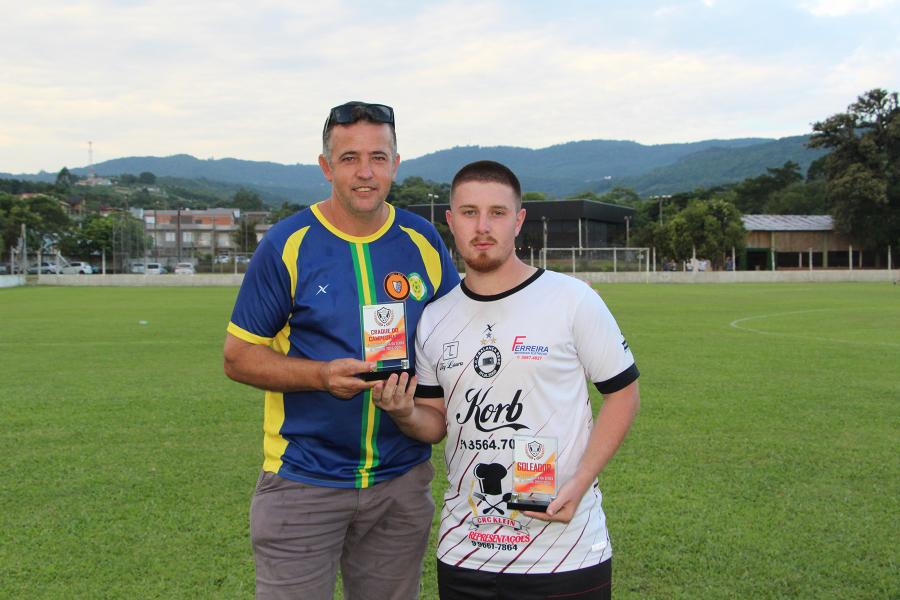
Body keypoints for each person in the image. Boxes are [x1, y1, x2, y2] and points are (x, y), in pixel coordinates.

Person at [223, 101, 460, 599]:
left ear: (396, 163)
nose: (365, 172)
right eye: (349, 158)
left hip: (401, 482)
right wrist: (322, 375)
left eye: (378, 156)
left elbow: (454, 340)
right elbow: (238, 357)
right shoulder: (289, 243)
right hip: (303, 481)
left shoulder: (422, 241)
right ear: (326, 166)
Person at [373, 160, 640, 599]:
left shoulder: (572, 300)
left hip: (564, 551)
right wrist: (404, 412)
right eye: (469, 212)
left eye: (497, 213)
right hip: (467, 554)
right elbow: (435, 424)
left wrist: (580, 480)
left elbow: (623, 395)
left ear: (518, 221)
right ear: (450, 221)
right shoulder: (436, 319)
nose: (483, 226)